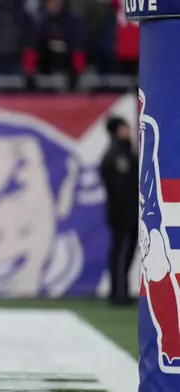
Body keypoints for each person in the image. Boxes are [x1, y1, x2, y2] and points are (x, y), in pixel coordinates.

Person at [100, 116, 138, 306]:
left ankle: (120, 291)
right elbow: (122, 189)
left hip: (124, 213)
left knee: (123, 251)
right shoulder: (118, 155)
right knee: (122, 251)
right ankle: (119, 293)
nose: (128, 130)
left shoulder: (122, 152)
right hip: (124, 214)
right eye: (125, 127)